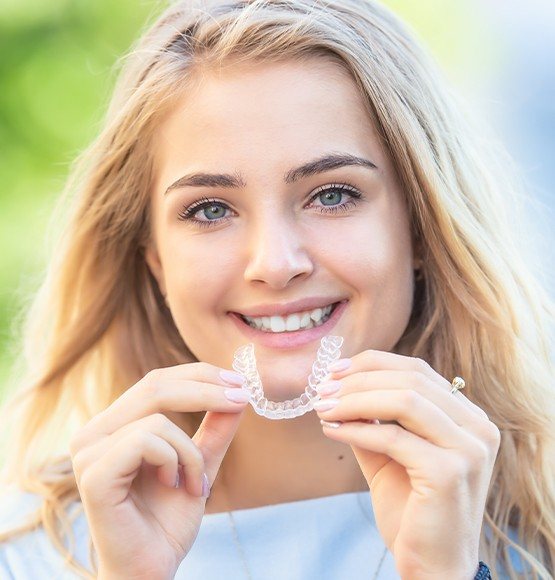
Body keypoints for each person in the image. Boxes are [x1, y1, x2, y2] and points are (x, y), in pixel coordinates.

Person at [0, 0, 553, 578]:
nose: (275, 263)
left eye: (333, 194)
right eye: (210, 209)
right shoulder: (24, 557)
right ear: (154, 261)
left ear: (421, 226)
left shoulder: (536, 545)